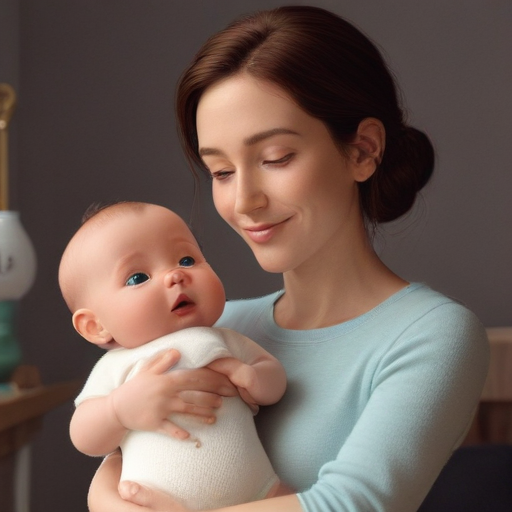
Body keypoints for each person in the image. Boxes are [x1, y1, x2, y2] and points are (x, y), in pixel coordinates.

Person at [87, 5, 489, 512]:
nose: (243, 201)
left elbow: (353, 504)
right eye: (221, 171)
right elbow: (125, 460)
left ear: (363, 150)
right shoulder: (218, 328)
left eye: (275, 159)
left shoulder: (431, 335)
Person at [59, 201, 289, 510]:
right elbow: (83, 435)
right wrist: (118, 410)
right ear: (95, 325)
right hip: (156, 502)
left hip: (263, 494)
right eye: (138, 278)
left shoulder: (223, 339)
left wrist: (252, 377)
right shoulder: (119, 366)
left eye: (186, 259)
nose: (175, 276)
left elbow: (274, 380)